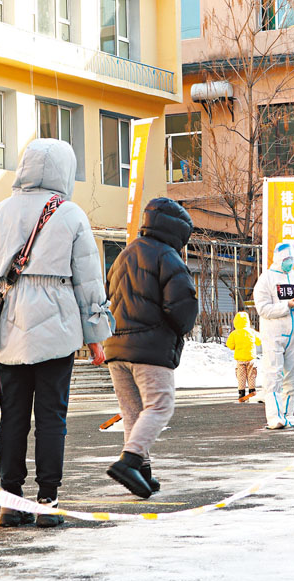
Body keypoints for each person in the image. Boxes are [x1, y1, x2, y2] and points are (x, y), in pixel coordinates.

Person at [0, 138, 110, 527]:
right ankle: (47, 500)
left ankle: (11, 500)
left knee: (13, 415)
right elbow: (88, 282)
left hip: (7, 326)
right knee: (52, 416)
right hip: (57, 324)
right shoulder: (71, 214)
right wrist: (96, 335)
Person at [103, 197, 198, 497]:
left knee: (133, 411)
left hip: (116, 347)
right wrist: (180, 329)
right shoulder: (168, 257)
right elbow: (182, 306)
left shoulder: (123, 255)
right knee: (159, 405)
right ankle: (129, 461)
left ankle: (142, 472)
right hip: (150, 348)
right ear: (177, 231)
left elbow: (108, 297)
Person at [253, 241, 294, 429]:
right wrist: (287, 305)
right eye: (287, 259)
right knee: (274, 373)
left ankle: (288, 413)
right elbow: (263, 309)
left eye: (291, 259)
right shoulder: (266, 279)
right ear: (279, 259)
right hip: (274, 333)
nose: (290, 262)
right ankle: (274, 416)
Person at [225, 311, 260, 400]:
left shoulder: (234, 333)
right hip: (251, 358)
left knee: (241, 376)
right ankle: (252, 391)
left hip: (240, 359)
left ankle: (241, 392)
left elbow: (230, 345)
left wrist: (236, 347)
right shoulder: (252, 332)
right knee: (251, 375)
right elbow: (259, 341)